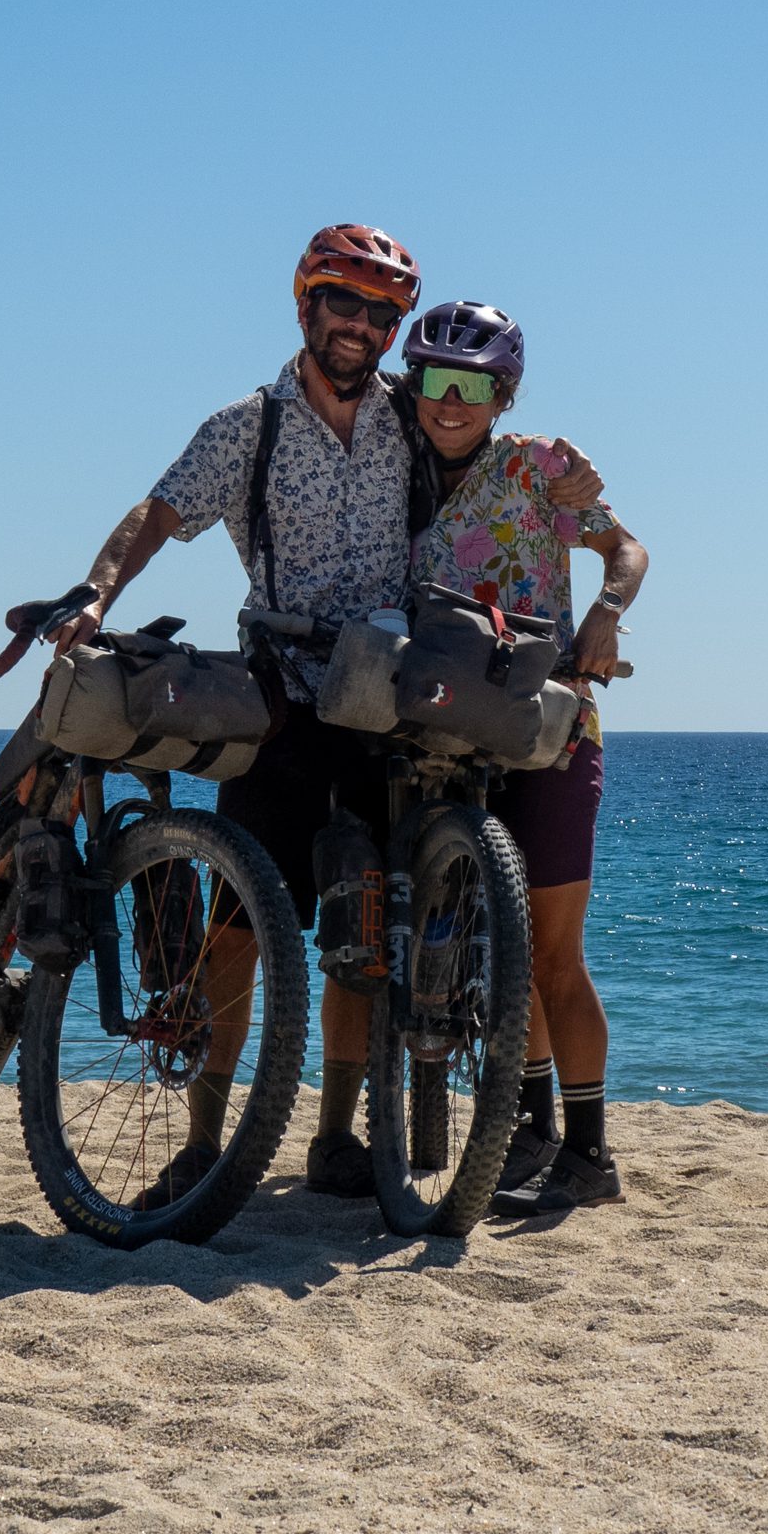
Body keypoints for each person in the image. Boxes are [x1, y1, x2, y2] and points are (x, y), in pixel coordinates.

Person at [54, 230, 605, 1201]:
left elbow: (492, 452)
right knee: (236, 930)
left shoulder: (408, 414)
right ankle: (204, 1139)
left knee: (365, 931)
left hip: (391, 706)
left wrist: (572, 477)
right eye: (343, 303)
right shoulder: (248, 426)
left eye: (381, 313)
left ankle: (338, 1137)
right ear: (305, 304)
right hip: (282, 702)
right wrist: (96, 594)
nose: (361, 326)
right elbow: (158, 514)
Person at [400, 300, 649, 1215]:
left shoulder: (536, 466)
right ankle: (530, 1131)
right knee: (499, 954)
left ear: (503, 395)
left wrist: (606, 613)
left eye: (473, 386)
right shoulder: (397, 474)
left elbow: (627, 548)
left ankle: (588, 1152)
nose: (451, 401)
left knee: (552, 953)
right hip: (446, 743)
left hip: (551, 732)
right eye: (436, 380)